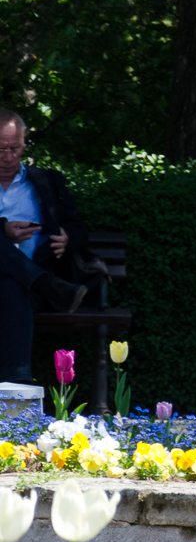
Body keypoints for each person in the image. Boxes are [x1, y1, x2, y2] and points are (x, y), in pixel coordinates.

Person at [0, 110, 93, 383]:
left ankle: (16, 389)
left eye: (14, 149)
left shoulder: (46, 181)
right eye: (1, 149)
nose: (8, 158)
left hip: (25, 288)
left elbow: (77, 228)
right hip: (41, 286)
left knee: (10, 285)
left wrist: (68, 239)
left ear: (24, 144)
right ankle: (18, 392)